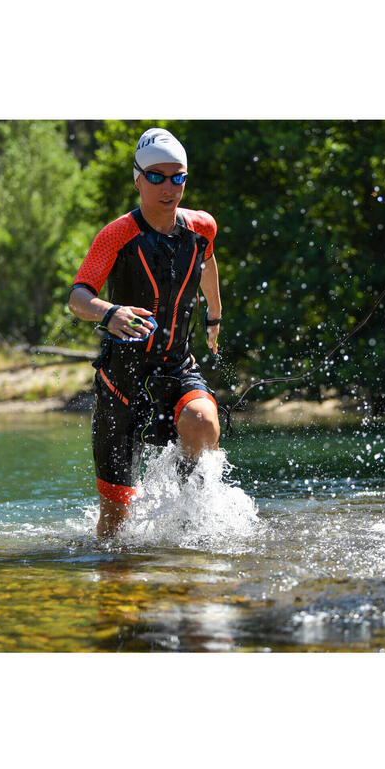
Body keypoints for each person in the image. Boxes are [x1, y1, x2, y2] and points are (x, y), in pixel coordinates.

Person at [69, 127, 222, 537]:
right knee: (115, 526)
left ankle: (190, 524)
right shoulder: (118, 234)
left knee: (203, 421)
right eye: (156, 176)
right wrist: (109, 312)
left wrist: (215, 316)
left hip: (176, 369)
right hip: (122, 382)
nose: (168, 186)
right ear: (138, 179)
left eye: (177, 177)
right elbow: (78, 296)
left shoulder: (201, 227)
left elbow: (207, 263)